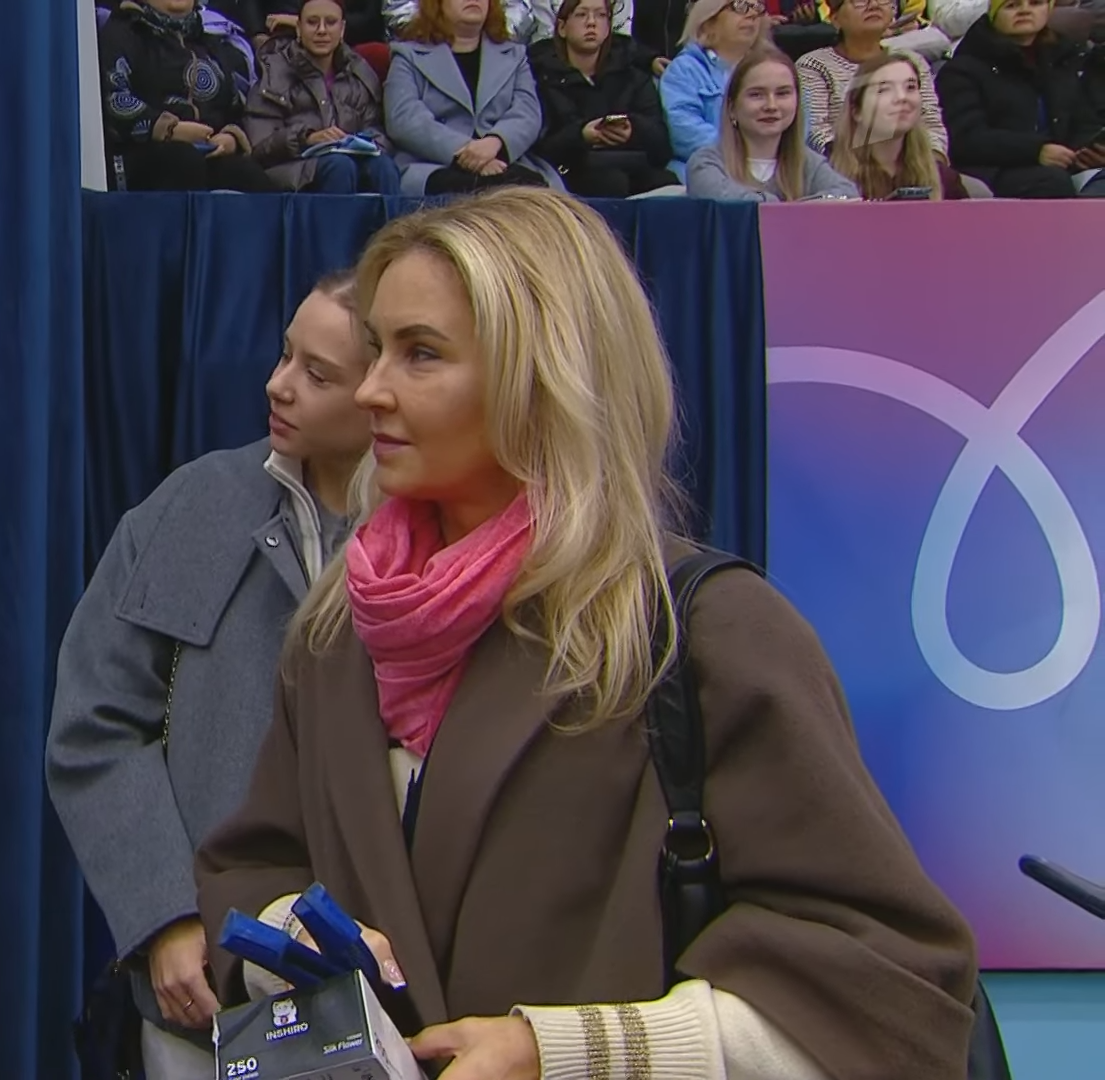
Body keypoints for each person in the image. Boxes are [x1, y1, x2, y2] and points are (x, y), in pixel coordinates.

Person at [193, 188, 980, 1079]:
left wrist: (566, 1052)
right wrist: (294, 941)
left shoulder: (702, 633)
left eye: (421, 354)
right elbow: (256, 864)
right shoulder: (340, 631)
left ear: (544, 376)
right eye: (378, 349)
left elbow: (887, 985)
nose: (371, 389)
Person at [48, 272, 373, 1080]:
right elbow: (95, 724)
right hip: (206, 1003)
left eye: (318, 374)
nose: (278, 384)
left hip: (393, 1007)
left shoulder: (444, 537)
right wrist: (163, 914)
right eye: (285, 354)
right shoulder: (196, 505)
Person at [99, 0, 280, 191]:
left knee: (247, 174)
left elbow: (233, 106)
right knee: (183, 160)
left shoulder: (209, 42)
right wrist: (170, 130)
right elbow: (112, 99)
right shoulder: (122, 32)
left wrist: (231, 137)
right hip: (142, 153)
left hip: (206, 152)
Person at [385, 0, 561, 193]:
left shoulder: (515, 55)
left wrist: (495, 143)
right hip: (435, 162)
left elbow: (527, 113)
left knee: (528, 188)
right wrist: (469, 152)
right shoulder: (407, 55)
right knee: (471, 190)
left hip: (504, 160)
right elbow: (404, 119)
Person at [938, 0, 1105, 198]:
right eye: (1012, 5)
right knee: (1051, 182)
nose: (1025, 10)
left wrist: (1087, 152)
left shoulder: (1065, 57)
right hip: (992, 171)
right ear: (993, 13)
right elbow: (966, 139)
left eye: (1035, 3)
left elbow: (1083, 119)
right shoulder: (962, 70)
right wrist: (1036, 151)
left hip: (1063, 168)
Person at [245, 0, 403, 192]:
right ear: (298, 28)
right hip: (293, 168)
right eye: (312, 22)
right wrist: (307, 138)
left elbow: (378, 130)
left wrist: (361, 142)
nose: (321, 30)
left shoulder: (358, 72)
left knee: (383, 167)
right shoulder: (274, 71)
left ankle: (393, 214)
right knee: (339, 166)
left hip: (350, 161)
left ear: (342, 29)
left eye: (330, 22)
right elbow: (260, 145)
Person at [530, 0, 681, 195]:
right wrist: (581, 135)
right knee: (610, 182)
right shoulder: (541, 77)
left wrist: (633, 129)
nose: (591, 23)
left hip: (631, 166)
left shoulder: (633, 76)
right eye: (581, 15)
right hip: (570, 172)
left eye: (600, 15)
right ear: (562, 28)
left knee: (669, 185)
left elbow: (661, 146)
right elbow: (540, 148)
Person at [687, 46, 862, 199]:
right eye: (756, 95)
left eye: (782, 93)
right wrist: (796, 209)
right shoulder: (706, 164)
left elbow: (847, 194)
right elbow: (739, 205)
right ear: (732, 108)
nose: (771, 106)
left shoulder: (809, 164)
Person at [796, 0, 950, 157]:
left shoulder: (912, 61)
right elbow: (816, 132)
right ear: (835, 18)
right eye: (860, 1)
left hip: (913, 162)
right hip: (842, 164)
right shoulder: (814, 65)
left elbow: (931, 124)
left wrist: (933, 161)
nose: (874, 5)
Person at [831, 52, 974, 197]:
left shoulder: (944, 180)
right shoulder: (829, 178)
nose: (901, 97)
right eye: (884, 90)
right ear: (856, 111)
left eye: (910, 87)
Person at [660, 0, 770, 177]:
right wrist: (745, 154)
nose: (752, 14)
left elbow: (799, 124)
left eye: (756, 7)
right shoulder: (685, 69)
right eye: (739, 6)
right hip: (704, 172)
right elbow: (685, 131)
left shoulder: (774, 69)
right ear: (708, 21)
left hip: (770, 169)